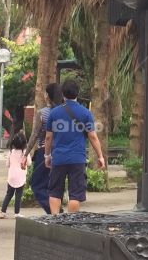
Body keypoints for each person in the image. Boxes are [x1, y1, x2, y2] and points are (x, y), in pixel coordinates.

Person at [44, 80, 105, 215]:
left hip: (58, 158)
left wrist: (47, 155)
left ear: (62, 94)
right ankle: (70, 223)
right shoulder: (85, 113)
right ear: (78, 93)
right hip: (77, 159)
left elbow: (48, 137)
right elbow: (93, 136)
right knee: (75, 194)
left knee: (55, 192)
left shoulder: (54, 113)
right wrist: (100, 156)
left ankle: (55, 221)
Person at [23, 82, 61, 210]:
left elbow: (35, 135)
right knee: (54, 186)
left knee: (37, 185)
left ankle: (54, 212)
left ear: (47, 96)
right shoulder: (63, 112)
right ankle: (57, 211)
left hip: (44, 152)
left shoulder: (42, 113)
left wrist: (25, 154)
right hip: (61, 151)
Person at [0, 131, 27, 218]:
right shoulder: (25, 153)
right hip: (21, 177)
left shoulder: (11, 152)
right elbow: (29, 163)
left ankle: (2, 212)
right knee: (18, 195)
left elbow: (7, 164)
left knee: (9, 194)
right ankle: (16, 213)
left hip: (11, 177)